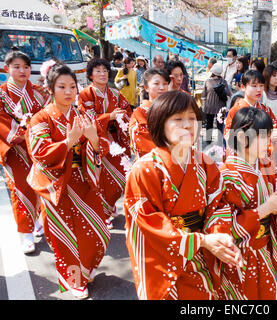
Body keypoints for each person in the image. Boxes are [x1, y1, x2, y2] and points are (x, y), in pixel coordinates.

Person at [123, 90, 243, 300]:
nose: (187, 125)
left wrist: (219, 236)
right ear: (160, 123)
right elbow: (146, 222)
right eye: (178, 119)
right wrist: (201, 241)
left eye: (192, 118)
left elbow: (219, 204)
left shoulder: (205, 163)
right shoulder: (145, 169)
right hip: (168, 257)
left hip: (203, 252)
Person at [26, 63, 111, 299]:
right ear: (51, 88)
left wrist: (94, 141)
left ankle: (86, 269)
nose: (68, 91)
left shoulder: (82, 116)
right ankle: (75, 280)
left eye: (72, 86)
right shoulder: (40, 119)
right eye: (61, 86)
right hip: (57, 184)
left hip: (83, 180)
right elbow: (40, 153)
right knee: (65, 237)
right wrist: (68, 142)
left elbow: (101, 145)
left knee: (98, 232)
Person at [217, 107, 277, 299]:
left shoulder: (266, 164)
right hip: (241, 253)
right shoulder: (227, 174)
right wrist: (267, 208)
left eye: (269, 136)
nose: (268, 142)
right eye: (263, 136)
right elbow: (223, 226)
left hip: (264, 246)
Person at [0, 49, 50, 254]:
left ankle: (37, 220)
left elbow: (49, 114)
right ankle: (25, 233)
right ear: (6, 68)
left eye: (26, 67)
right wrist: (25, 129)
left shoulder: (39, 91)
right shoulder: (2, 94)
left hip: (38, 147)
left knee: (39, 187)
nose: (22, 70)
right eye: (17, 66)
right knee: (20, 190)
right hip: (15, 149)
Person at [78, 58, 132, 224]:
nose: (102, 74)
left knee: (121, 176)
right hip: (96, 141)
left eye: (105, 70)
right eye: (98, 71)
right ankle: (103, 210)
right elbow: (87, 117)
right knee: (100, 177)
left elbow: (127, 111)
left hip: (115, 140)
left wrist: (123, 117)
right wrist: (109, 116)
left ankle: (108, 204)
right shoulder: (86, 93)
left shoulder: (115, 93)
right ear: (91, 75)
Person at [224, 70, 277, 156]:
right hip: (243, 157)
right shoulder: (236, 110)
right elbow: (230, 137)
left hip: (263, 157)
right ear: (243, 87)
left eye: (261, 86)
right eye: (254, 86)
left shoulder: (266, 110)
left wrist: (270, 144)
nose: (259, 90)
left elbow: (276, 132)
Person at [129, 68, 170, 159]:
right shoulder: (139, 114)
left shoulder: (173, 111)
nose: (162, 87)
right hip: (150, 164)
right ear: (146, 87)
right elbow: (142, 144)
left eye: (165, 84)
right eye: (156, 84)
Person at [262, 64, 277, 171]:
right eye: (274, 76)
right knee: (270, 164)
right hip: (266, 135)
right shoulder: (262, 94)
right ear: (267, 77)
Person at [201, 63, 231, 145]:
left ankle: (208, 140)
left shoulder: (207, 81)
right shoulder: (223, 82)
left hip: (209, 106)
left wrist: (204, 104)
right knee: (220, 125)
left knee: (209, 124)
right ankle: (220, 141)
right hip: (221, 107)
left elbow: (203, 95)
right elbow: (229, 93)